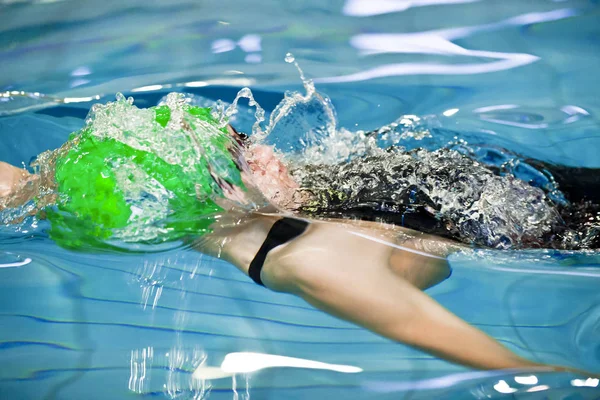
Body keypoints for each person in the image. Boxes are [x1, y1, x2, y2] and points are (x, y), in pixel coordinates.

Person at [0, 95, 595, 374]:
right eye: (237, 157)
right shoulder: (316, 262)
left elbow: (29, 188)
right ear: (214, 202)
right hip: (567, 228)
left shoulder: (271, 202)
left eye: (236, 134)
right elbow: (487, 357)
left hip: (531, 184)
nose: (261, 151)